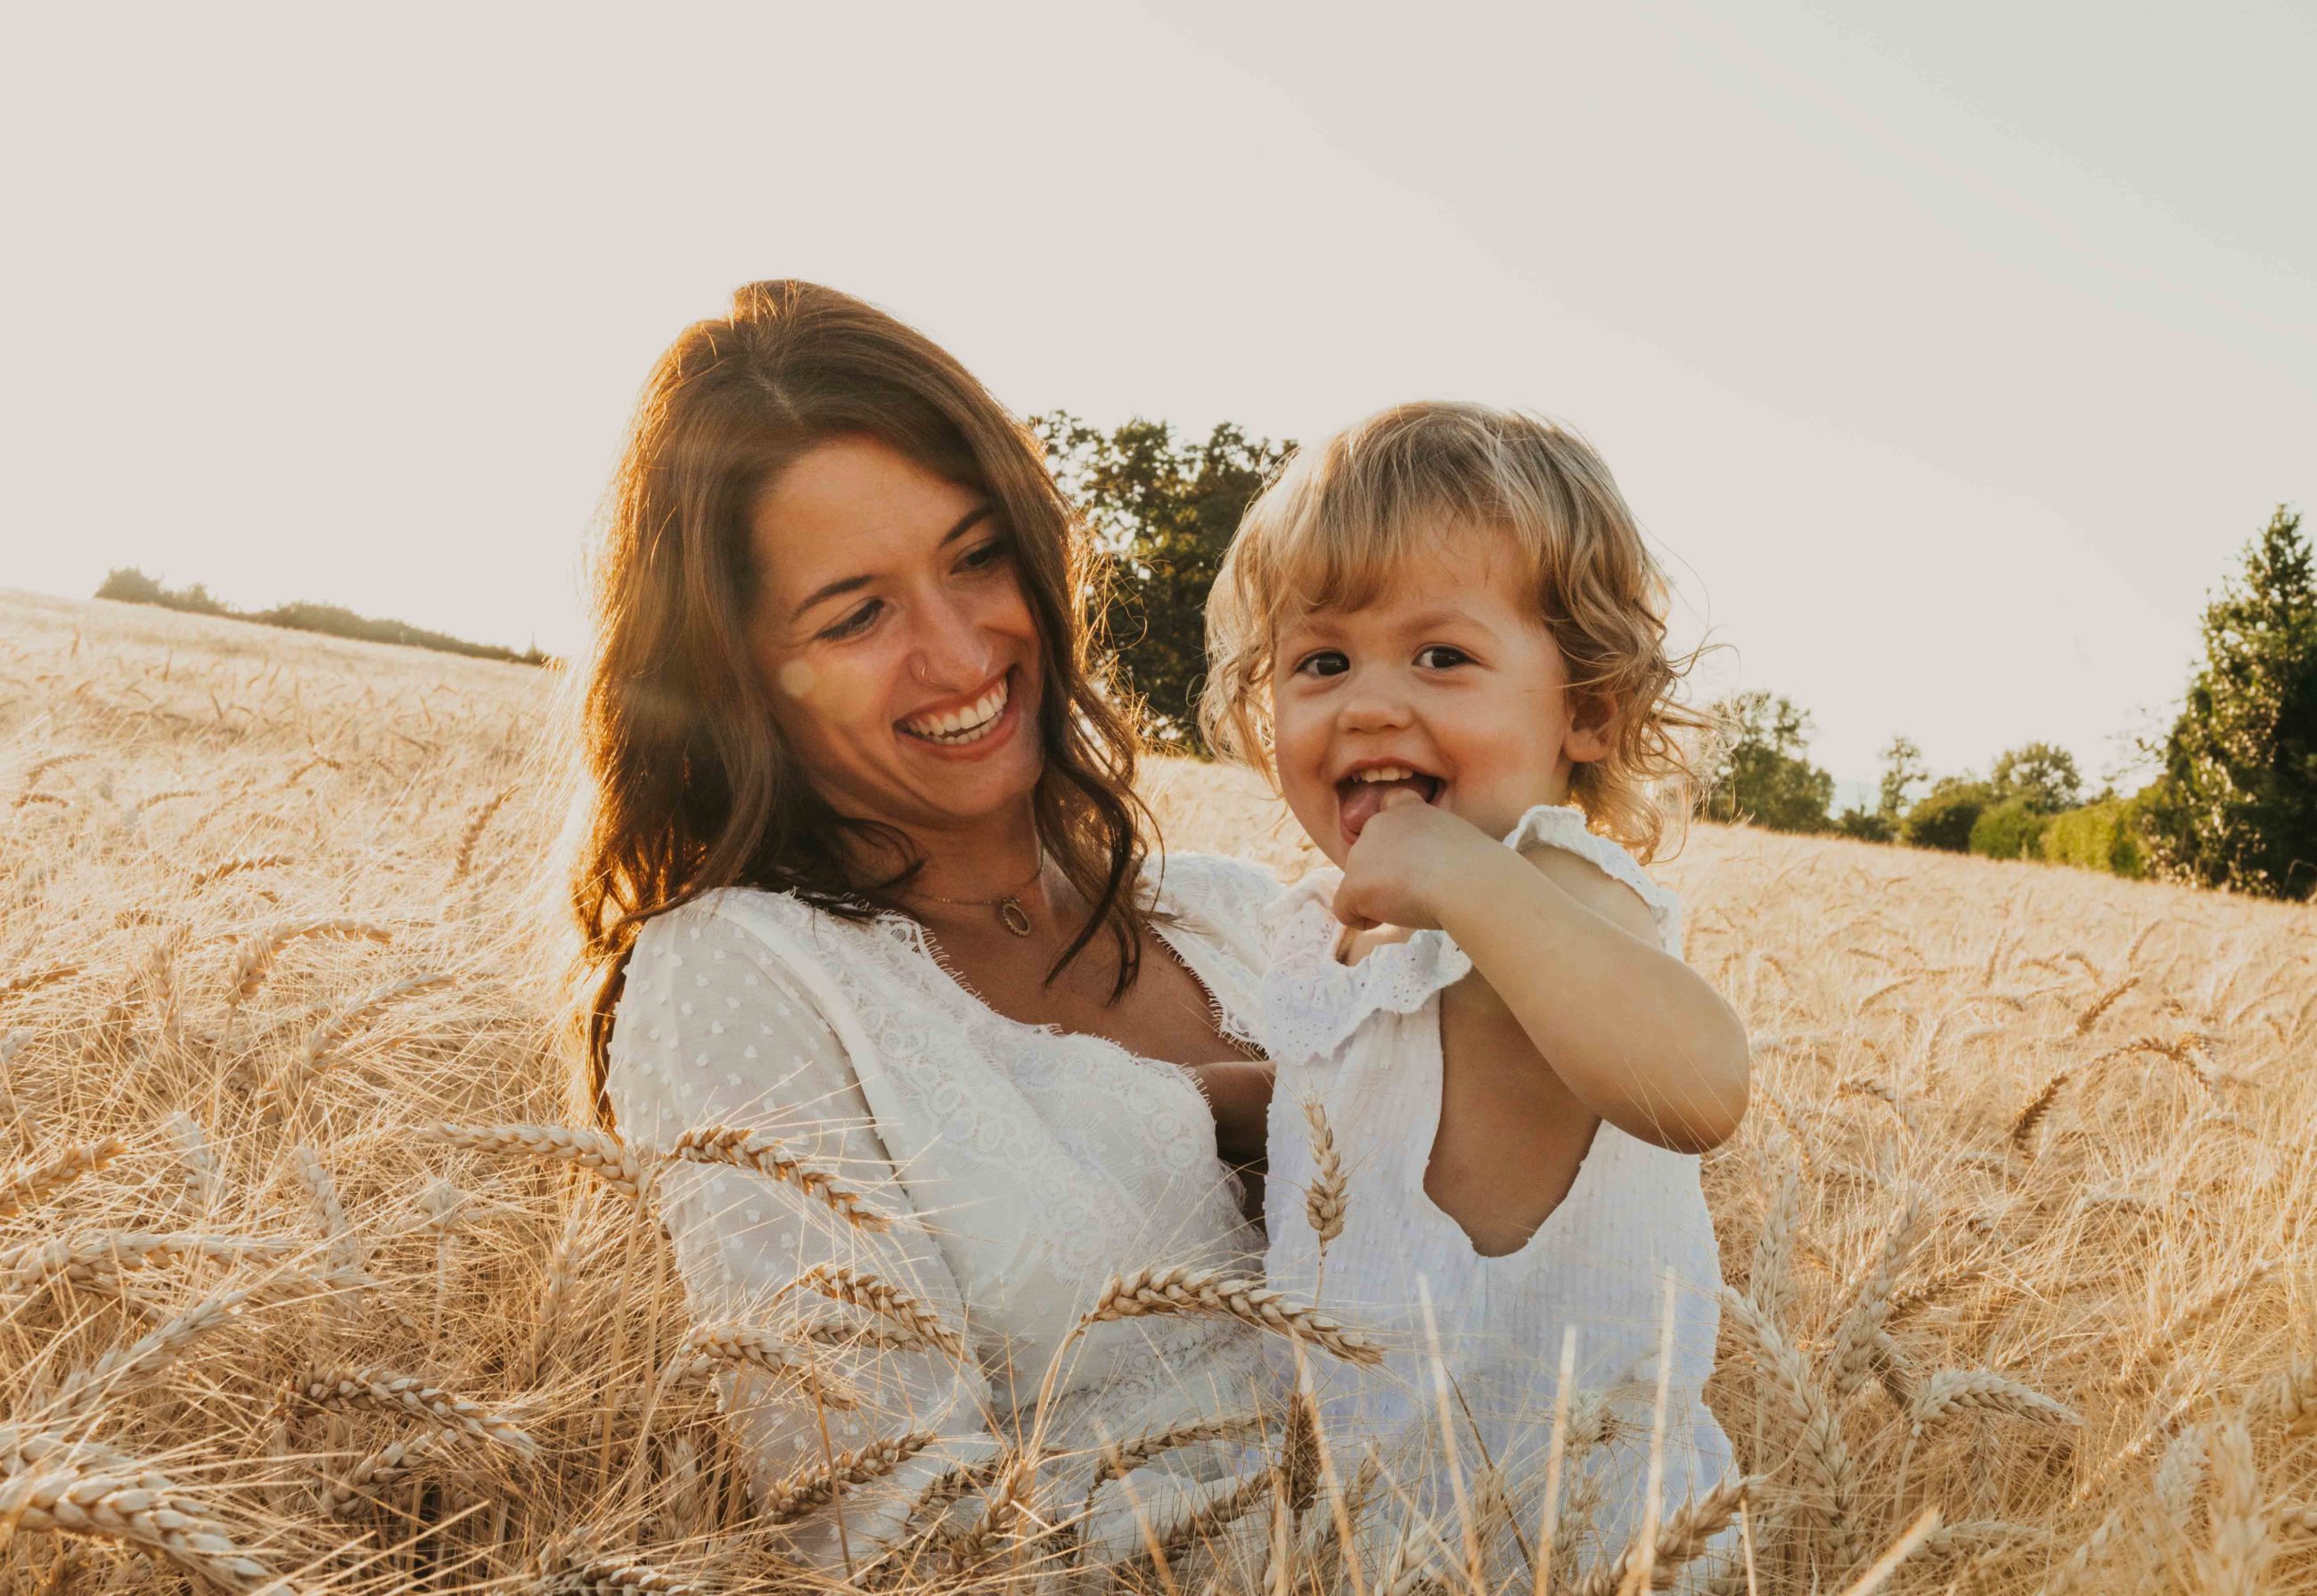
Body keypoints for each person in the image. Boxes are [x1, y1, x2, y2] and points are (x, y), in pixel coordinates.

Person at [566, 281, 1281, 1573]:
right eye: (856, 615)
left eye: (976, 558)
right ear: (735, 676)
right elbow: (894, 1536)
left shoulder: (1246, 919)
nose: (960, 655)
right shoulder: (747, 975)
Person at [1200, 400, 1751, 1579]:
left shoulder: (1552, 889)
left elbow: (1702, 1086)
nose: (1369, 702)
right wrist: (1207, 1106)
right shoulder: (1337, 933)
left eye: (1442, 656)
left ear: (1591, 709)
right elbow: (1367, 1103)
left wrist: (1466, 882)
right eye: (1322, 662)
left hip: (1583, 1552)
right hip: (1385, 1536)